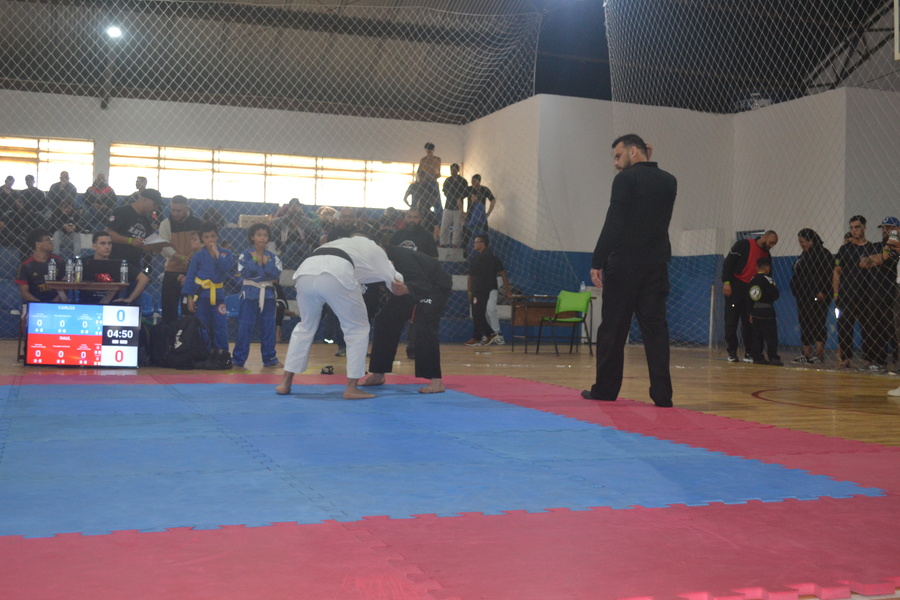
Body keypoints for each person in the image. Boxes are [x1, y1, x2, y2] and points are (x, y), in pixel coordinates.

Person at [581, 134, 677, 408]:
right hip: (656, 267)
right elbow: (650, 211)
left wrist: (597, 260)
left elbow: (615, 221)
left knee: (613, 330)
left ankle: (606, 390)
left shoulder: (625, 179)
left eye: (618, 155)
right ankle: (662, 395)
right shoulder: (669, 181)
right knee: (656, 332)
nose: (615, 162)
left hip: (624, 266)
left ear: (633, 152)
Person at [276, 235, 407, 400]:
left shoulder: (344, 243)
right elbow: (396, 282)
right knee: (357, 328)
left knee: (305, 326)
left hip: (306, 272)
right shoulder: (377, 250)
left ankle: (285, 382)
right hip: (335, 272)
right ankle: (351, 388)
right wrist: (406, 289)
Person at [361, 245, 452, 394]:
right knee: (385, 320)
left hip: (433, 287)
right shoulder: (372, 264)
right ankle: (378, 373)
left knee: (424, 325)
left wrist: (407, 288)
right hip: (407, 287)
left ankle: (436, 381)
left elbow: (422, 283)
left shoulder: (403, 258)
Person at [722, 230, 779, 362]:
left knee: (750, 323)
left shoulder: (767, 255)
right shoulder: (743, 245)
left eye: (774, 244)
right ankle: (732, 351)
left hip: (752, 292)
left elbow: (767, 276)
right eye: (771, 242)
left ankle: (749, 352)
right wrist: (727, 282)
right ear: (765, 237)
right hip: (736, 288)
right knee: (731, 321)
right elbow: (728, 263)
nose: (771, 246)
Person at [233, 223, 283, 368]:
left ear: (268, 238)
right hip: (249, 294)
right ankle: (238, 359)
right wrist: (255, 260)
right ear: (252, 237)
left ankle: (270, 358)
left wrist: (266, 264)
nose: (262, 238)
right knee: (245, 327)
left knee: (268, 328)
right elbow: (244, 272)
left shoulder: (273, 257)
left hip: (267, 295)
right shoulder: (245, 255)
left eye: (265, 235)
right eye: (259, 235)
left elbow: (276, 274)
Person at [182, 221, 235, 352]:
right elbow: (190, 276)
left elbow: (226, 268)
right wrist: (189, 297)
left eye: (212, 236)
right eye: (206, 237)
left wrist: (217, 253)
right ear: (202, 239)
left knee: (220, 326)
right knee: (202, 325)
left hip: (218, 296)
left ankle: (222, 353)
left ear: (217, 237)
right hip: (201, 296)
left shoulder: (225, 254)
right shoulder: (198, 255)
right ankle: (203, 353)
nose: (210, 239)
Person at [833, 215, 878, 369]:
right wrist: (836, 294)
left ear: (864, 228)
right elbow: (837, 271)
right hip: (846, 296)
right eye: (851, 228)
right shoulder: (844, 249)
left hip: (867, 296)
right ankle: (845, 359)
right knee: (844, 328)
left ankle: (868, 360)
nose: (854, 230)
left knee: (868, 329)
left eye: (857, 227)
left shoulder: (872, 248)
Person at [106, 188, 159, 301]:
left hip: (134, 264)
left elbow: (147, 243)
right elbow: (108, 233)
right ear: (144, 200)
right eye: (154, 205)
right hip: (116, 262)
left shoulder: (146, 221)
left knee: (134, 302)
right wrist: (130, 241)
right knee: (111, 300)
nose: (154, 209)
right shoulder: (122, 211)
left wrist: (152, 247)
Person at [789, 229, 833, 364]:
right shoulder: (804, 255)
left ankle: (819, 354)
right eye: (800, 242)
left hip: (817, 295)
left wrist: (823, 291)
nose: (802, 244)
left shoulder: (823, 254)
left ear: (812, 241)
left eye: (804, 242)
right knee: (805, 322)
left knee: (818, 321)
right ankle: (806, 353)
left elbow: (829, 274)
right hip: (803, 295)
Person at [158, 195, 203, 323]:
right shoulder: (165, 224)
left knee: (190, 311)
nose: (175, 213)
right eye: (173, 210)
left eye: (179, 210)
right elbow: (164, 246)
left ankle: (189, 334)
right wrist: (181, 257)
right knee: (168, 310)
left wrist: (193, 257)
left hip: (192, 273)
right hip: (171, 270)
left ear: (186, 208)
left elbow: (202, 245)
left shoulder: (198, 224)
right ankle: (168, 335)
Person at [79, 232, 151, 305]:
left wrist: (130, 299)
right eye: (103, 244)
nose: (107, 247)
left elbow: (144, 279)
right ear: (94, 246)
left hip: (112, 305)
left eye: (109, 243)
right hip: (86, 304)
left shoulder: (119, 264)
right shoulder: (83, 263)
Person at [465, 234, 511, 347]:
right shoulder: (476, 259)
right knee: (479, 313)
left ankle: (494, 334)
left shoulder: (491, 258)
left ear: (483, 244)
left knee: (488, 311)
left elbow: (503, 275)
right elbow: (470, 276)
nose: (474, 244)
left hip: (486, 289)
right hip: (479, 290)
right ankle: (480, 336)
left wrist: (508, 291)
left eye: (476, 242)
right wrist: (470, 291)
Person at [14, 228, 67, 303]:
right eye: (48, 240)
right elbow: (24, 292)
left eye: (51, 239)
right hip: (34, 303)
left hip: (56, 303)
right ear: (38, 244)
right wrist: (40, 304)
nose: (51, 242)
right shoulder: (25, 265)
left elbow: (66, 287)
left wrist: (54, 302)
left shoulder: (59, 261)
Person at [748, 257, 781, 365]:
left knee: (757, 336)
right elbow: (775, 294)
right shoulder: (768, 279)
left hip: (755, 311)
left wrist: (751, 312)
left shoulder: (752, 279)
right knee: (771, 335)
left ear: (757, 267)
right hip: (767, 311)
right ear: (767, 268)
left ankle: (757, 357)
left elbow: (749, 298)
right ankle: (773, 357)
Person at [463, 174, 495, 257]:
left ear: (479, 181)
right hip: (471, 217)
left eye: (474, 181)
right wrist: (462, 212)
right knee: (468, 237)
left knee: (481, 237)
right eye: (472, 181)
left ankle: (481, 254)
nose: (473, 183)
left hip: (479, 220)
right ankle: (467, 254)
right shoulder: (469, 189)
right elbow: (459, 198)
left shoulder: (483, 193)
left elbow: (493, 200)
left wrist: (488, 213)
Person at [440, 163, 467, 248]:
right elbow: (445, 192)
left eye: (455, 170)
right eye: (452, 170)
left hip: (458, 207)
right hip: (448, 205)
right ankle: (443, 242)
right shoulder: (448, 180)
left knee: (457, 226)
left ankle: (455, 243)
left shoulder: (462, 181)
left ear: (458, 170)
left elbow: (465, 193)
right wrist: (453, 197)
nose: (453, 172)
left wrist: (458, 198)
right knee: (444, 225)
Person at [48, 194, 83, 259]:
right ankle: (56, 255)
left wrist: (75, 227)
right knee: (57, 233)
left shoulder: (75, 213)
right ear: (60, 207)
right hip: (60, 238)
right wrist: (62, 226)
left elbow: (81, 225)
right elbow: (51, 227)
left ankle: (77, 257)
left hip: (71, 238)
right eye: (65, 207)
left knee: (76, 234)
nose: (67, 209)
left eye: (69, 208)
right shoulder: (56, 213)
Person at [418, 142, 442, 217]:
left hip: (433, 182)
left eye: (430, 150)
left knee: (437, 203)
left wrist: (432, 177)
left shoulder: (437, 159)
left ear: (433, 150)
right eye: (428, 150)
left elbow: (439, 174)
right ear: (426, 150)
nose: (429, 152)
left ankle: (438, 220)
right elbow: (419, 173)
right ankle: (422, 217)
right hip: (425, 183)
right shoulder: (423, 160)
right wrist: (423, 179)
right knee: (424, 202)